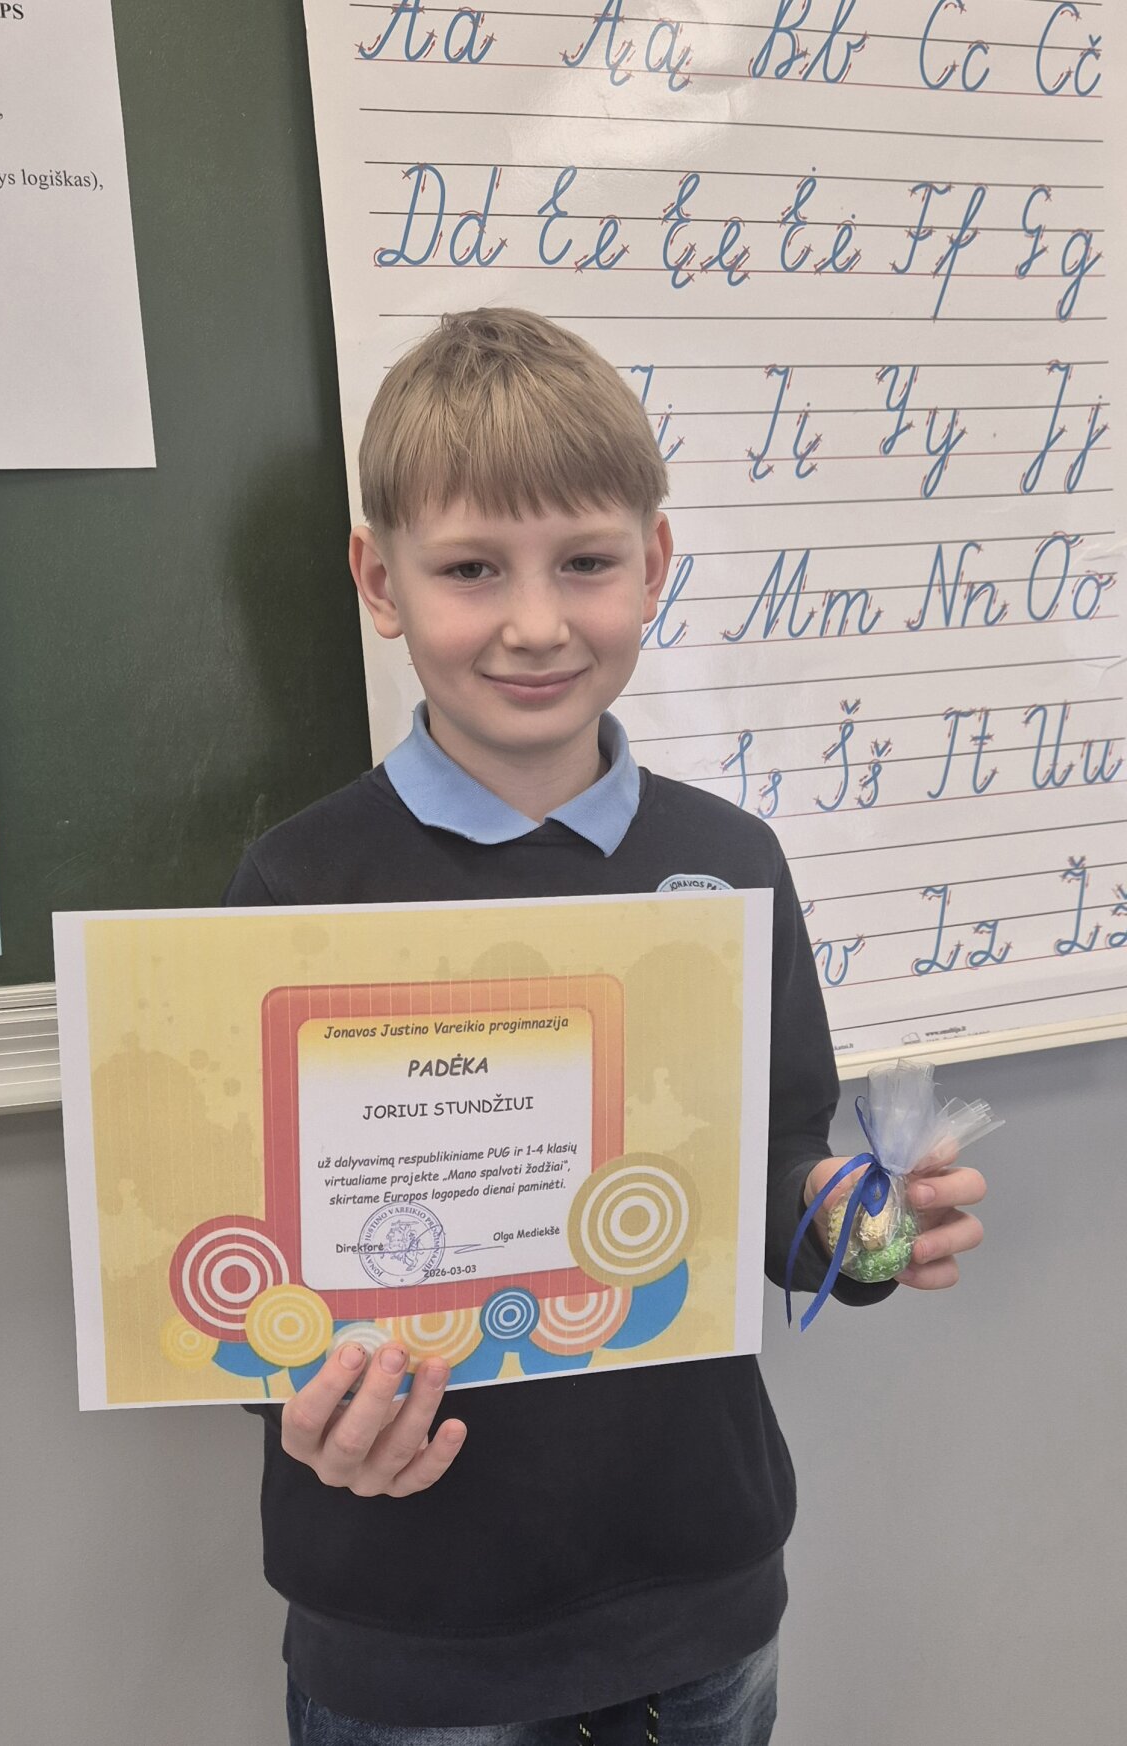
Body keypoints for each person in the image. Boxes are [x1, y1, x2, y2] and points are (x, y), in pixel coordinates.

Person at [224, 308, 987, 1745]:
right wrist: (298, 1412)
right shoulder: (297, 888)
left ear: (653, 562)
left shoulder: (730, 860)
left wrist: (855, 1226)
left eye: (584, 561)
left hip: (698, 1596)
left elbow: (775, 1165)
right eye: (471, 569)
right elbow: (244, 1263)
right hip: (413, 1620)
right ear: (380, 581)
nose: (535, 622)